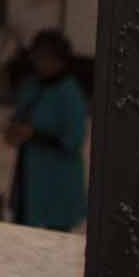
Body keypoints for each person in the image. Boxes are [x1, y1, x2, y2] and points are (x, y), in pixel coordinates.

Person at [10, 29, 88, 230]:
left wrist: (35, 135)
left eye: (46, 58)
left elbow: (73, 140)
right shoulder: (31, 85)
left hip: (57, 178)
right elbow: (19, 119)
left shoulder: (70, 93)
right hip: (29, 175)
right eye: (37, 57)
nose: (40, 63)